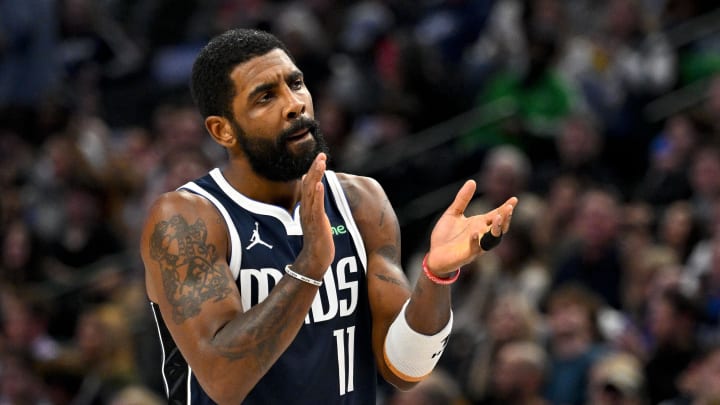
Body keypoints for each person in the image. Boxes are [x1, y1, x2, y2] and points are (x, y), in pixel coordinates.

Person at [139, 28, 518, 404]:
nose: (295, 104)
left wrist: (436, 275)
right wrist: (310, 266)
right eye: (266, 97)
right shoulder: (187, 219)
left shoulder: (361, 200)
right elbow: (223, 380)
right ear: (223, 131)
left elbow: (404, 369)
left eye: (296, 83)